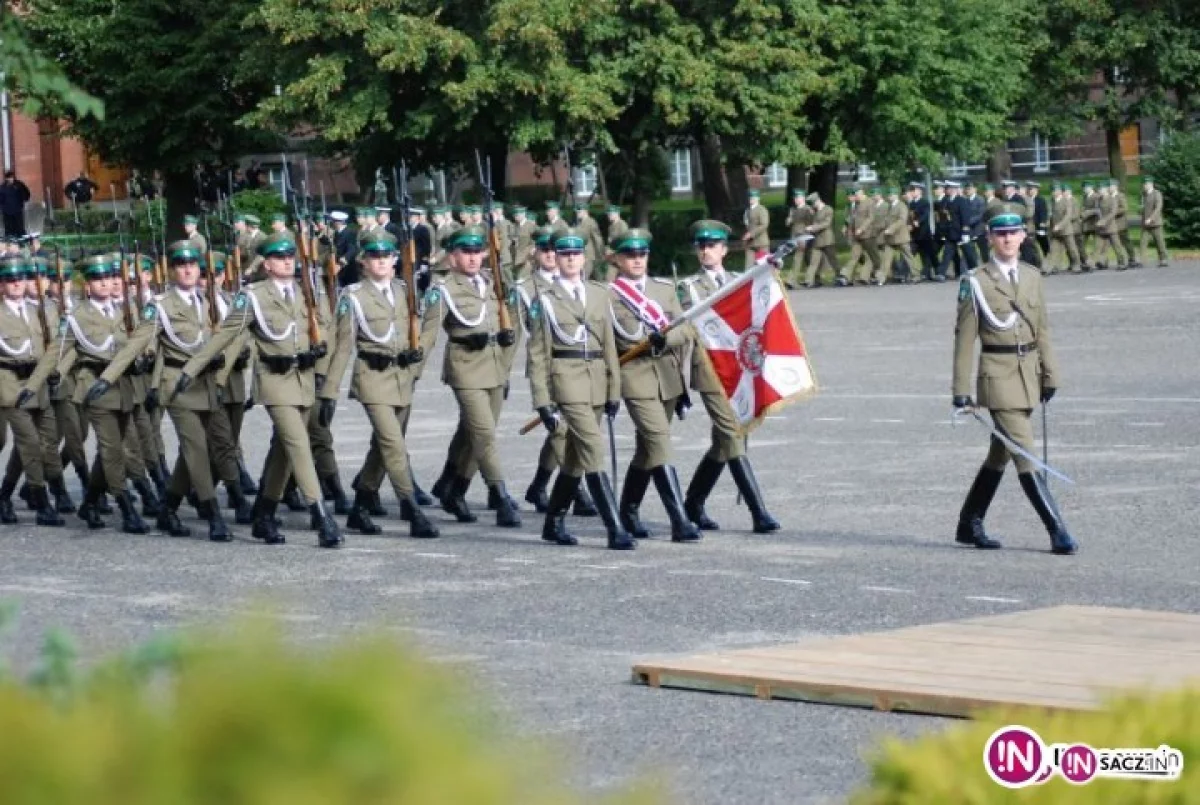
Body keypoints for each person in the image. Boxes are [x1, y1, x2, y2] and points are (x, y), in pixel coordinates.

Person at [177, 231, 342, 548]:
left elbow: (326, 331)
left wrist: (322, 371)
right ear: (266, 264)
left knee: (284, 450)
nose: (287, 262)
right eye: (280, 258)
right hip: (274, 381)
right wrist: (193, 368)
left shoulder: (305, 291)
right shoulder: (253, 296)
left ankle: (263, 515)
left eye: (290, 257)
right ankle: (322, 517)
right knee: (299, 444)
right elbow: (226, 335)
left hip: (304, 379)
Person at [952, 211, 1076, 556]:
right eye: (1000, 234)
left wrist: (1050, 373)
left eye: (1013, 233)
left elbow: (1043, 329)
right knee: (1025, 452)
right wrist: (960, 391)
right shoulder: (975, 281)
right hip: (998, 375)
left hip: (1029, 373)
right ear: (990, 238)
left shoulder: (1032, 277)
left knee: (1001, 452)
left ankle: (969, 522)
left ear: (1024, 236)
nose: (1007, 239)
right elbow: (964, 339)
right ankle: (1058, 529)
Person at [93, 241, 233, 541]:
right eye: (181, 265)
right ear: (170, 271)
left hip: (206, 383)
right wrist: (108, 377)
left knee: (199, 452)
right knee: (195, 447)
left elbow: (225, 337)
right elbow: (136, 343)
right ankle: (213, 516)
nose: (187, 269)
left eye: (193, 264)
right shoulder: (161, 306)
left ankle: (168, 509)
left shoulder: (209, 300)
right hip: (177, 383)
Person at [322, 230, 438, 539]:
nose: (382, 261)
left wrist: (419, 356)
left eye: (387, 256)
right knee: (393, 444)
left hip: (402, 377)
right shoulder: (354, 297)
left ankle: (360, 506)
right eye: (375, 256)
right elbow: (343, 346)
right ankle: (412, 509)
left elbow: (426, 326)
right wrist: (329, 392)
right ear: (363, 261)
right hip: (372, 376)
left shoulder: (405, 290)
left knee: (381, 447)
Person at [526, 228, 632, 549]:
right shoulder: (544, 300)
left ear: (584, 258)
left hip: (597, 379)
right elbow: (538, 355)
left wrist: (614, 390)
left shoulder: (600, 293)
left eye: (575, 254)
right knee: (592, 448)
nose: (571, 259)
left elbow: (610, 346)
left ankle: (553, 522)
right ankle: (615, 528)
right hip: (567, 379)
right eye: (564, 254)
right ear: (555, 259)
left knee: (573, 460)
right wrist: (543, 401)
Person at [677, 221, 780, 534]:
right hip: (709, 370)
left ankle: (693, 502)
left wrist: (769, 273)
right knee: (732, 435)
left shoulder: (739, 281)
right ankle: (758, 512)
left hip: (737, 370)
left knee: (722, 444)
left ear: (724, 249)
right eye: (702, 246)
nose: (707, 251)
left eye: (713, 245)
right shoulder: (688, 287)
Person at [418, 225, 521, 528]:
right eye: (466, 252)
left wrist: (505, 353)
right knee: (484, 434)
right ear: (452, 258)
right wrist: (412, 371)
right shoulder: (443, 290)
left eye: (478, 251)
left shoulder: (492, 283)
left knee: (470, 435)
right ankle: (500, 496)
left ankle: (454, 488)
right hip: (465, 367)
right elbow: (428, 334)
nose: (474, 257)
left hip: (494, 365)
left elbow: (509, 322)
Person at [607, 228, 700, 543]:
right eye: (630, 255)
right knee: (660, 441)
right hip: (636, 376)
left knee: (649, 448)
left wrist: (665, 338)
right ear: (618, 258)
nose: (636, 260)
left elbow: (686, 329)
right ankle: (680, 520)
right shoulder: (608, 295)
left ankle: (628, 511)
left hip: (668, 375)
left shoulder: (663, 290)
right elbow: (610, 340)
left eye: (641, 254)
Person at [62, 255, 148, 533]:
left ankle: (89, 502)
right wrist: (48, 378)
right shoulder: (78, 316)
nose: (105, 283)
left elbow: (139, 342)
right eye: (98, 279)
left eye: (110, 277)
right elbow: (60, 351)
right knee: (113, 449)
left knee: (109, 451)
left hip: (124, 388)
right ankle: (127, 509)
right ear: (87, 285)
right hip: (95, 387)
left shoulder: (125, 309)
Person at [0, 255, 66, 526]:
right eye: (10, 279)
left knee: (45, 443)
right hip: (10, 386)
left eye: (21, 278)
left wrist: (53, 372)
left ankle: (4, 496)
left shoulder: (37, 309)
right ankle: (42, 503)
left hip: (38, 385)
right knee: (31, 444)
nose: (17, 283)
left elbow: (52, 346)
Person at [1139, 176, 1169, 267]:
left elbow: (1158, 208)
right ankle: (1142, 260)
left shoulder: (1157, 194)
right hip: (1145, 224)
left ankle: (1163, 259)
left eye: (1146, 184)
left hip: (1155, 223)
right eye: (1144, 184)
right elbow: (1142, 207)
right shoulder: (1143, 194)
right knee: (1143, 243)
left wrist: (1151, 218)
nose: (1144, 185)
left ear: (1151, 184)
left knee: (1159, 242)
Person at [741, 190, 770, 271]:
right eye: (750, 197)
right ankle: (749, 283)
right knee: (748, 267)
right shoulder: (747, 211)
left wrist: (751, 234)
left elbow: (764, 224)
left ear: (758, 198)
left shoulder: (762, 210)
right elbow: (747, 225)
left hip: (761, 242)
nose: (751, 199)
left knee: (764, 266)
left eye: (754, 197)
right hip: (750, 243)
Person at [0, 172, 31, 238]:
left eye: (11, 177)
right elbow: (1, 198)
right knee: (9, 227)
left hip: (17, 209)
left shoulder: (19, 184)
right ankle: (10, 239)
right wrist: (2, 207)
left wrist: (25, 199)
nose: (10, 179)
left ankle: (21, 238)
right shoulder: (2, 187)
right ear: (6, 179)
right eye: (9, 178)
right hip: (7, 211)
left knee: (19, 226)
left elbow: (26, 192)